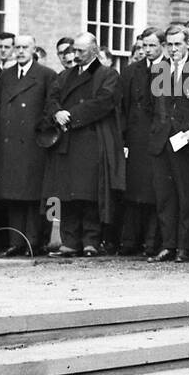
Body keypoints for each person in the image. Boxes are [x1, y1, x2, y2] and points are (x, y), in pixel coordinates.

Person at [41, 33, 124, 256]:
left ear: (94, 50)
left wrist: (71, 115)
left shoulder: (108, 74)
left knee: (89, 193)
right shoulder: (64, 75)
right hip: (66, 140)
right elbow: (51, 99)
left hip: (90, 138)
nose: (75, 55)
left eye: (80, 51)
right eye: (73, 51)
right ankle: (70, 240)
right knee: (67, 193)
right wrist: (56, 112)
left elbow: (104, 102)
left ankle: (91, 240)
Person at [147, 24, 189, 262]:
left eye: (178, 44)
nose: (173, 49)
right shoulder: (159, 70)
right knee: (164, 196)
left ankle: (185, 247)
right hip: (161, 141)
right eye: (169, 44)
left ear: (188, 44)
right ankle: (168, 244)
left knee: (186, 196)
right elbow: (151, 107)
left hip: (186, 143)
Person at [0, 34, 55, 256]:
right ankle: (15, 241)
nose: (20, 51)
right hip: (9, 143)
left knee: (31, 196)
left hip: (31, 143)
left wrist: (39, 131)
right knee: (12, 195)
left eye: (24, 47)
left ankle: (33, 241)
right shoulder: (6, 75)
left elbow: (50, 107)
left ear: (33, 49)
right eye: (17, 47)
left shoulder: (46, 75)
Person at [120, 27, 162, 257]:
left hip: (157, 137)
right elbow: (123, 106)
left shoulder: (168, 71)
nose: (147, 50)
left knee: (155, 192)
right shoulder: (131, 72)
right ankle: (130, 240)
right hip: (136, 138)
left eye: (152, 45)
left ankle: (152, 241)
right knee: (134, 191)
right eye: (144, 46)